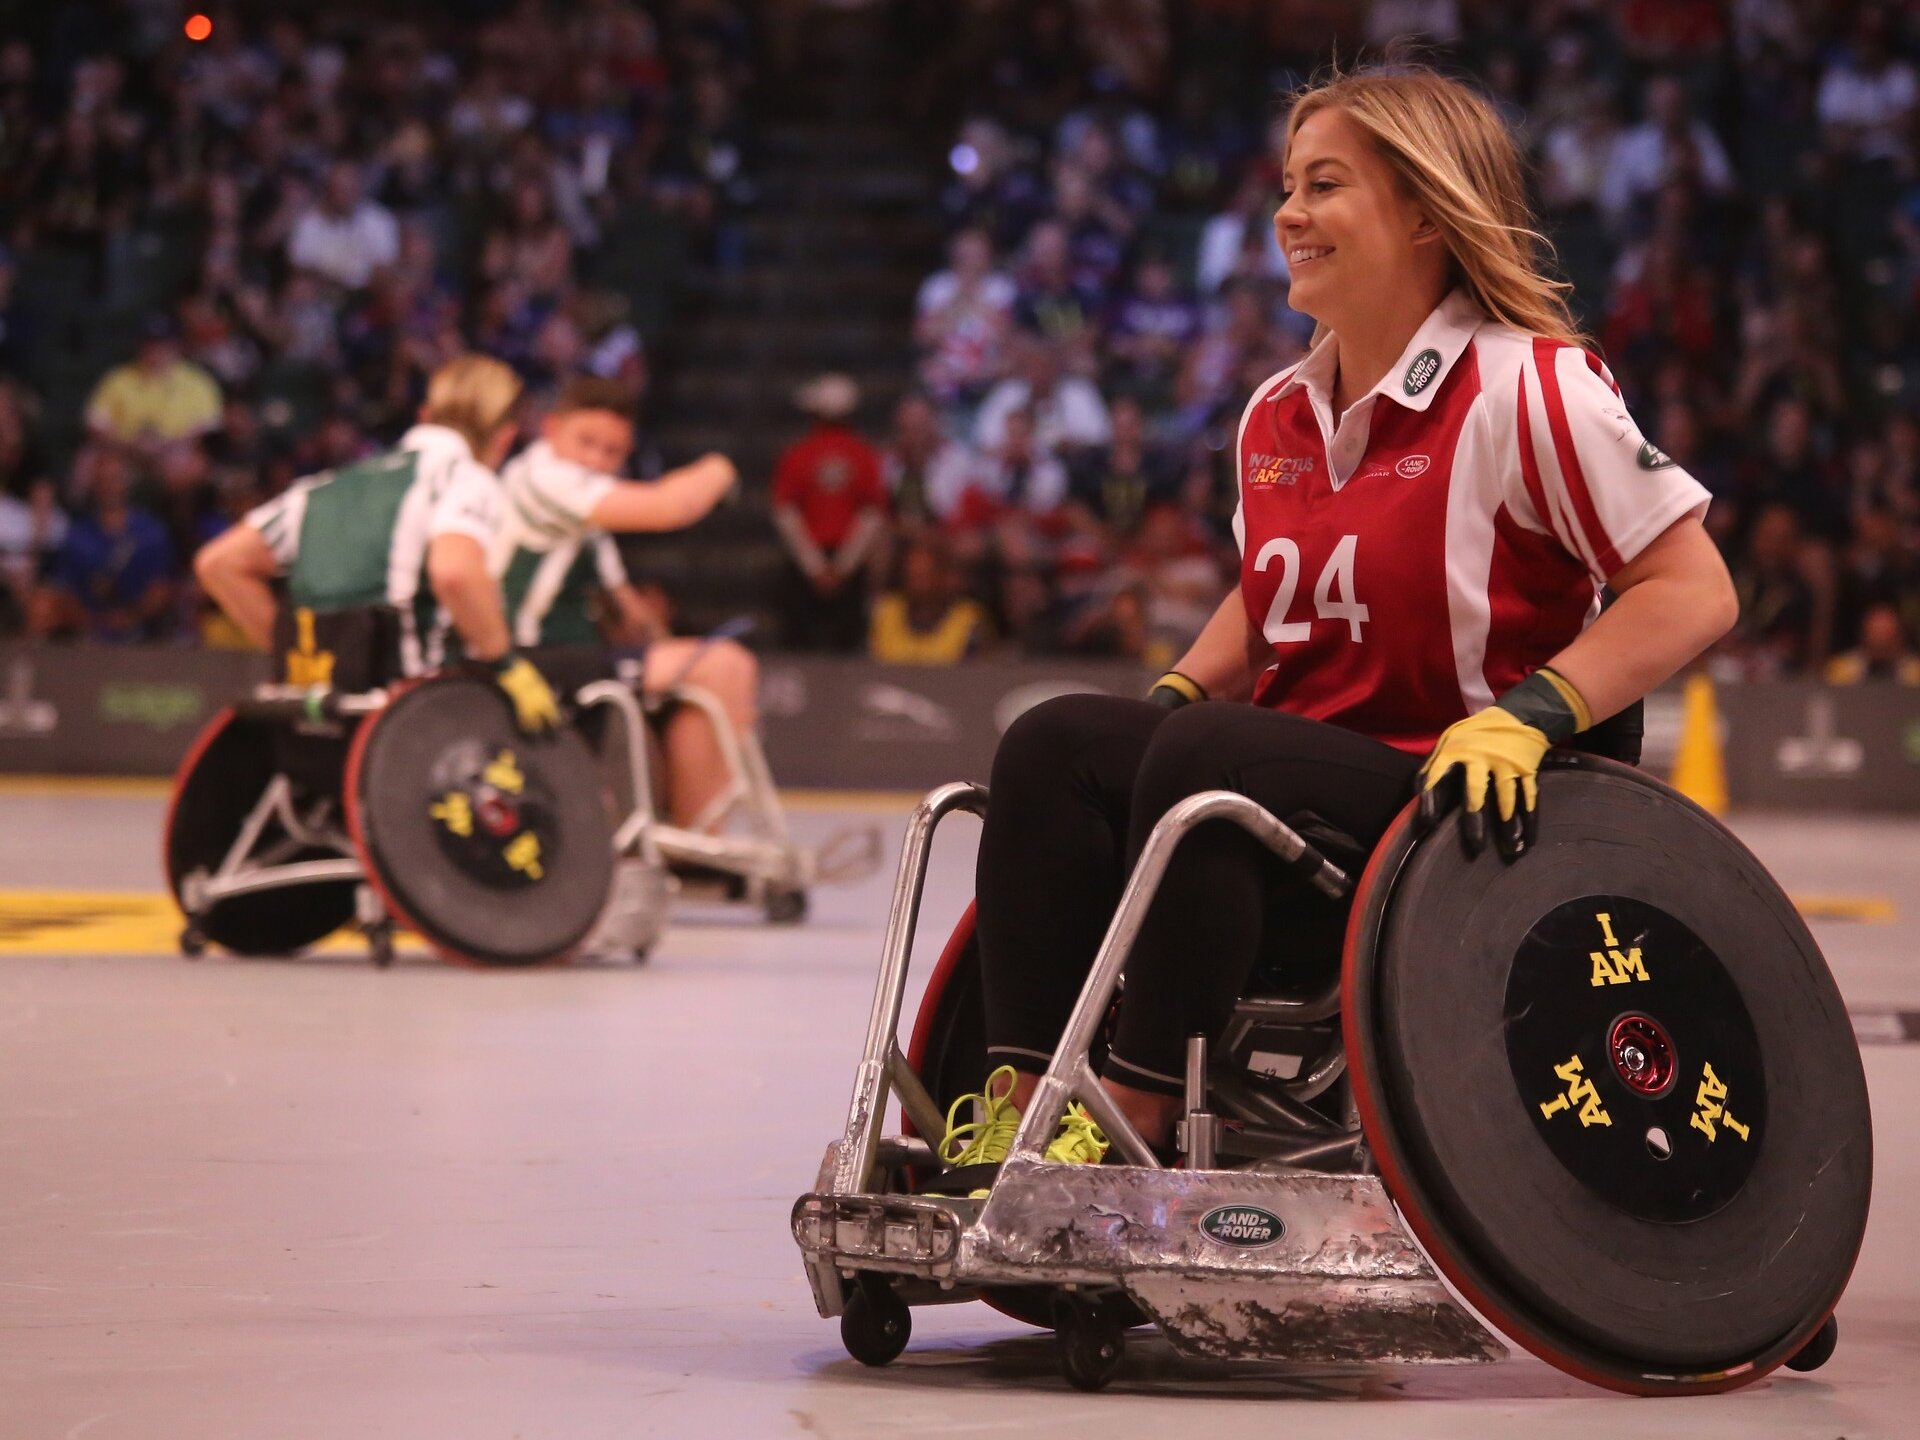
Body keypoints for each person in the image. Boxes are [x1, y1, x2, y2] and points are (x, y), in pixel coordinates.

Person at [931, 67, 1739, 1183]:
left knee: (1211, 755)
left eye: (1324, 185)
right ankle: (1016, 1121)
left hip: (1459, 803)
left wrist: (1529, 718)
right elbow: (1276, 592)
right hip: (1295, 781)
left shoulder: (1531, 387)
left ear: (1424, 212)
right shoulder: (1276, 410)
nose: (1288, 215)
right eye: (1286, 187)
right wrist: (1174, 693)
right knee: (1057, 742)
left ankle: (1131, 1119)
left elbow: (1693, 589)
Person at [191, 355, 559, 732]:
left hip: (319, 722)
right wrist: (506, 663)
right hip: (415, 719)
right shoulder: (464, 478)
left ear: (424, 416)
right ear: (505, 436)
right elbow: (454, 571)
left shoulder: (322, 487)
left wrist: (303, 654)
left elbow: (218, 564)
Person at [492, 375, 754, 829]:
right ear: (551, 429)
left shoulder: (585, 514)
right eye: (585, 442)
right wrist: (723, 467)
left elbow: (626, 609)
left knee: (703, 670)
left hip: (571, 657)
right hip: (528, 659)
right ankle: (699, 844)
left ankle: (689, 833)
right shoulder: (545, 477)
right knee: (723, 667)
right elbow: (671, 506)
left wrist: (665, 642)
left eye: (612, 452)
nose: (596, 460)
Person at [771, 373, 890, 651]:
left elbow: (786, 513)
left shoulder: (799, 454)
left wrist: (816, 568)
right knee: (846, 646)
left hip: (808, 565)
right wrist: (841, 568)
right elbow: (872, 515)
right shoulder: (864, 455)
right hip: (848, 565)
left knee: (799, 646)